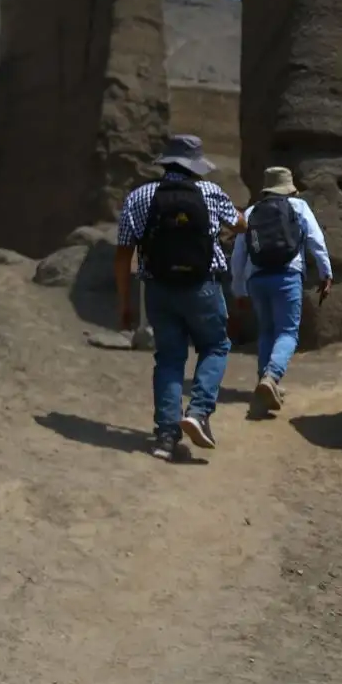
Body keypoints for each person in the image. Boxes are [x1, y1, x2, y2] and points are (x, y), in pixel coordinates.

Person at [114, 134, 245, 461]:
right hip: (202, 286)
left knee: (170, 357)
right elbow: (241, 224)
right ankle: (198, 412)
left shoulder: (139, 196)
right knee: (215, 346)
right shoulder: (211, 193)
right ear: (196, 165)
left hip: (158, 288)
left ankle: (166, 436)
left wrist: (126, 303)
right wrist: (233, 223)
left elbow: (122, 255)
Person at [231, 166, 333, 414]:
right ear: (289, 188)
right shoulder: (298, 207)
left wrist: (238, 289)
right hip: (287, 276)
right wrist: (325, 272)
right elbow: (315, 240)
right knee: (287, 332)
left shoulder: (252, 211)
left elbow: (239, 252)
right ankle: (272, 377)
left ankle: (264, 382)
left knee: (266, 330)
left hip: (257, 279)